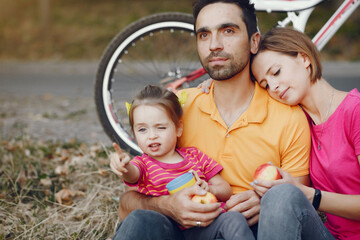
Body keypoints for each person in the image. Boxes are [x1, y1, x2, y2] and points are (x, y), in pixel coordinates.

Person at [111, 1, 311, 239]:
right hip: (180, 230)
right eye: (204, 34)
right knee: (141, 221)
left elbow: (295, 201)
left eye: (228, 31)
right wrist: (167, 205)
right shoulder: (178, 107)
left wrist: (265, 201)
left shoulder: (288, 118)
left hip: (248, 230)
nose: (214, 45)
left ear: (254, 41)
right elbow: (126, 205)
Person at [248, 27, 360, 240]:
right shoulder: (298, 122)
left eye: (276, 72)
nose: (273, 86)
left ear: (304, 58)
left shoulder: (355, 111)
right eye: (265, 84)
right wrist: (210, 86)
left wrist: (311, 196)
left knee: (283, 196)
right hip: (327, 235)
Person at [110, 84, 255, 239]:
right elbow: (132, 175)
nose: (152, 136)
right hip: (168, 230)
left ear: (178, 128)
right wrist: (124, 166)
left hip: (205, 225)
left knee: (234, 220)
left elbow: (226, 190)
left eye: (160, 127)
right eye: (142, 130)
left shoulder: (194, 156)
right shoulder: (142, 164)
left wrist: (210, 189)